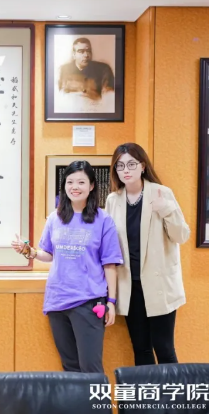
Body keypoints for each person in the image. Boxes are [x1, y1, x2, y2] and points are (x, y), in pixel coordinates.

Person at [11, 160, 122, 373]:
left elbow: (110, 264)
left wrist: (111, 302)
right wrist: (29, 251)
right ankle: (76, 399)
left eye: (81, 182)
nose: (74, 187)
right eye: (70, 182)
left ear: (91, 186)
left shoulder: (103, 220)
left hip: (88, 302)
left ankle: (97, 398)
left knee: (91, 368)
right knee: (70, 368)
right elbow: (49, 254)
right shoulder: (55, 217)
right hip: (57, 300)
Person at [105, 143, 189, 366]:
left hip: (158, 283)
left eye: (131, 164)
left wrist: (166, 209)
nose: (126, 170)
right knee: (141, 348)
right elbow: (109, 244)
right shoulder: (113, 200)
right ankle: (146, 391)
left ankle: (172, 391)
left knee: (164, 349)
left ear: (142, 166)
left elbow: (181, 236)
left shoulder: (161, 193)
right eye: (120, 165)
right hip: (129, 285)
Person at [58, 37, 115, 101]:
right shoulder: (63, 70)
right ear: (74, 54)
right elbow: (58, 96)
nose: (86, 55)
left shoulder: (103, 69)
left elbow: (109, 97)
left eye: (88, 51)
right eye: (81, 51)